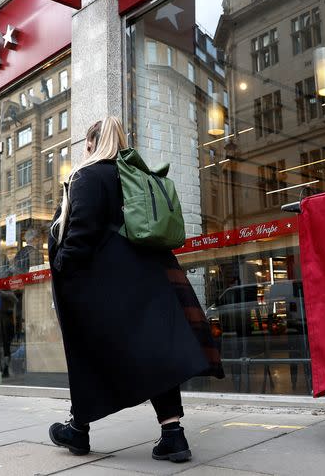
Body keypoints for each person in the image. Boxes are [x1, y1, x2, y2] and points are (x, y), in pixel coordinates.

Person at [47, 116, 223, 461]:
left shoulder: (88, 175)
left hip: (104, 283)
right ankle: (173, 434)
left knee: (88, 353)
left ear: (89, 144)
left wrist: (61, 263)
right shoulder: (133, 174)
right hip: (146, 276)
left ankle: (78, 429)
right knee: (155, 352)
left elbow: (82, 231)